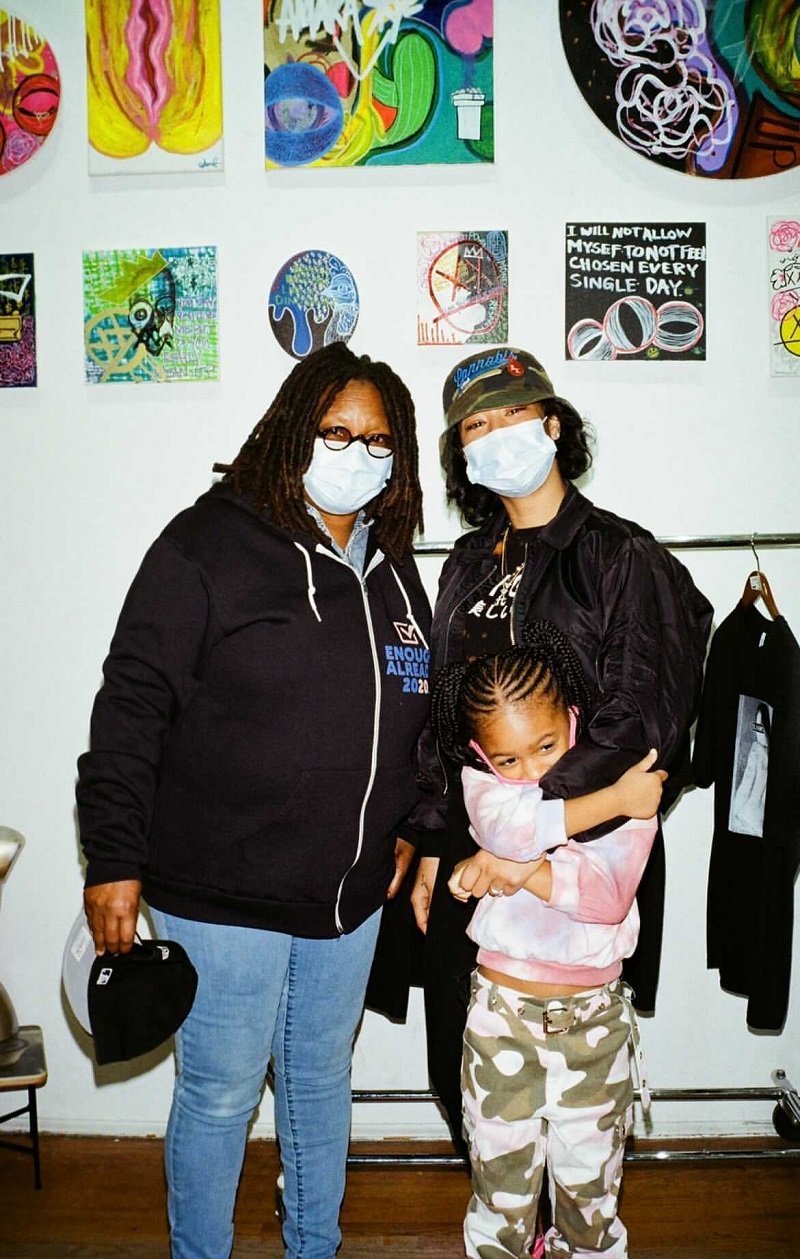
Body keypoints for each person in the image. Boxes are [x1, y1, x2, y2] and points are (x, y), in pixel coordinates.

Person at [76, 341, 434, 1259]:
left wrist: (412, 824)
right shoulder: (208, 543)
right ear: (291, 431)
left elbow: (424, 713)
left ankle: (315, 1244)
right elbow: (131, 701)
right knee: (222, 1090)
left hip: (348, 899)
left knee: (319, 1083)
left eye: (378, 439)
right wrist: (113, 859)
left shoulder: (393, 570)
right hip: (221, 896)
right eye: (336, 431)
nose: (357, 452)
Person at [411, 346, 713, 1157]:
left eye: (513, 412)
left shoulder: (622, 557)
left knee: (575, 1101)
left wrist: (523, 834)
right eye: (476, 424)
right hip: (474, 860)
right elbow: (446, 716)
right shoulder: (467, 565)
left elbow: (642, 726)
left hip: (586, 855)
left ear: (552, 423)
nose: (497, 433)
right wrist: (441, 841)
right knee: (469, 1076)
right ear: (462, 453)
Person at [431, 621, 665, 1257]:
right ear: (481, 756)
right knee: (499, 1199)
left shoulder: (624, 774)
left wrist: (512, 870)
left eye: (545, 747)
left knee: (591, 1202)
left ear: (573, 716)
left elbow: (604, 897)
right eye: (508, 760)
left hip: (593, 1022)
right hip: (501, 1018)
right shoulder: (492, 786)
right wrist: (607, 804)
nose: (531, 772)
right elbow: (508, 829)